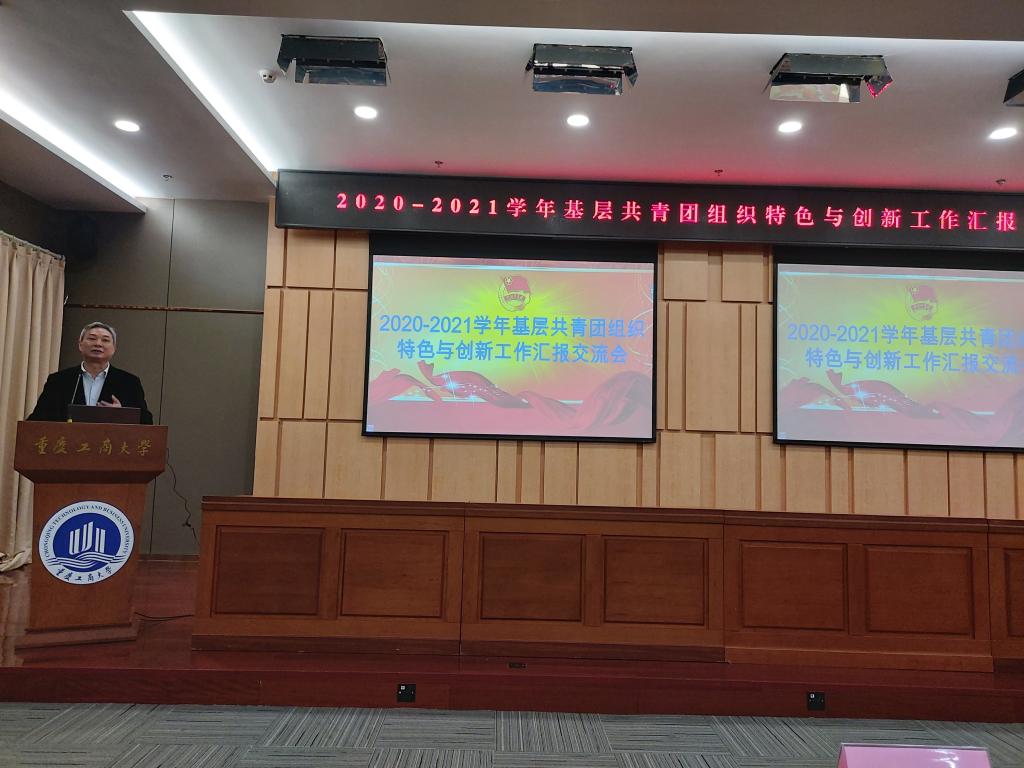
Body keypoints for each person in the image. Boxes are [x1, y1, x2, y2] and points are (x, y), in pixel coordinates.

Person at [27, 321, 153, 424]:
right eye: (92, 338)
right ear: (80, 345)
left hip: (110, 445)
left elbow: (147, 423)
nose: (98, 344)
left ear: (114, 348)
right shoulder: (59, 380)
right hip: (68, 445)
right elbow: (37, 420)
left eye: (105, 340)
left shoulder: (129, 382)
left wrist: (122, 415)